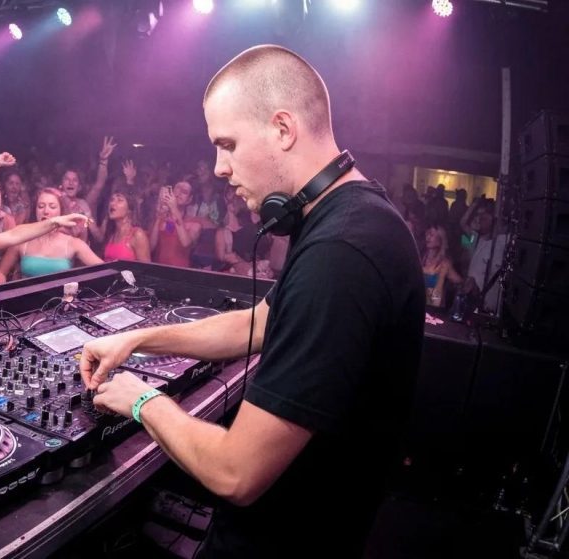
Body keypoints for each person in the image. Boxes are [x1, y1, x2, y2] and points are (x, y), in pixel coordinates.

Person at [79, 45, 424, 557]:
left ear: (282, 129)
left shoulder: (340, 254)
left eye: (228, 143)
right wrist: (139, 340)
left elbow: (236, 471)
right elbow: (261, 321)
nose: (218, 167)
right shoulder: (355, 215)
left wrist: (142, 400)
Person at [0, 188, 103, 283]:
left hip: (60, 305)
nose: (46, 211)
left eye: (52, 206)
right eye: (41, 206)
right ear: (35, 210)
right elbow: (0, 273)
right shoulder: (23, 239)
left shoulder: (73, 243)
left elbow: (105, 270)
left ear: (61, 212)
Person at [149, 181, 201, 267]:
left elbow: (185, 243)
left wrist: (174, 209)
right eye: (177, 189)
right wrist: (159, 216)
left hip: (180, 273)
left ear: (189, 199)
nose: (179, 193)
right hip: (158, 270)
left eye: (184, 192)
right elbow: (151, 247)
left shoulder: (194, 224)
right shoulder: (160, 219)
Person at [98, 189, 150, 262]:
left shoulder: (137, 234)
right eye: (112, 200)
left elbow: (146, 270)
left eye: (119, 200)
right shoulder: (111, 234)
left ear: (129, 209)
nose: (112, 203)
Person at [422, 224, 462, 308]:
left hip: (433, 311)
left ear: (440, 240)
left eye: (432, 234)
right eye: (427, 233)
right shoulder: (421, 258)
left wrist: (442, 276)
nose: (427, 237)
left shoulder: (444, 264)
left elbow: (460, 282)